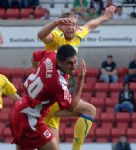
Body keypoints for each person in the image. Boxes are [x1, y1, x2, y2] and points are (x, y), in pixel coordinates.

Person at [37, 5, 116, 150]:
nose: (71, 28)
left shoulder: (77, 36)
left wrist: (105, 16)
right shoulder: (56, 37)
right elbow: (41, 35)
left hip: (56, 97)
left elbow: (90, 25)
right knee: (89, 110)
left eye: (73, 24)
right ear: (60, 27)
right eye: (67, 25)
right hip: (50, 96)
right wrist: (55, 23)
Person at [10, 45, 96, 150]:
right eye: (70, 63)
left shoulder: (51, 54)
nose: (74, 66)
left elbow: (34, 57)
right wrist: (81, 79)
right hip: (29, 119)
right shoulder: (57, 82)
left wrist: (40, 69)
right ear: (60, 62)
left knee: (89, 110)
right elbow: (72, 107)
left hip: (21, 111)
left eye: (75, 62)